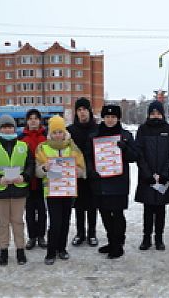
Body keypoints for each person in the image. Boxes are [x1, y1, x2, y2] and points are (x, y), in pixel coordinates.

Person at [0, 114, 34, 266]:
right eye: (4, 127)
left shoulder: (23, 146)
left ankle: (20, 250)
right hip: (0, 190)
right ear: (0, 129)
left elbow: (30, 164)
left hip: (19, 190)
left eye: (10, 127)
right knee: (3, 223)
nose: (8, 130)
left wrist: (25, 177)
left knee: (18, 221)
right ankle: (3, 250)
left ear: (14, 129)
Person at [86, 105, 138, 259]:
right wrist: (90, 171)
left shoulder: (126, 135)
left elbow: (134, 156)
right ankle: (111, 241)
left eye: (113, 117)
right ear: (103, 117)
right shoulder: (94, 135)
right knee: (104, 213)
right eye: (107, 117)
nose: (110, 120)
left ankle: (118, 244)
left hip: (118, 182)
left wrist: (125, 149)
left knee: (118, 213)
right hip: (100, 182)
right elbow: (88, 156)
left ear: (118, 118)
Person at [35, 115, 86, 265]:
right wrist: (44, 168)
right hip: (51, 192)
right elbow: (37, 172)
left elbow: (83, 169)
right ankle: (51, 251)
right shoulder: (42, 148)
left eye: (60, 132)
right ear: (50, 134)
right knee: (55, 222)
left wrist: (78, 171)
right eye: (55, 132)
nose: (58, 135)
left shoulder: (72, 147)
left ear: (65, 132)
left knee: (65, 221)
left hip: (68, 191)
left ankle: (62, 249)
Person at [135, 101, 169, 251]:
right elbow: (139, 153)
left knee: (160, 210)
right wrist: (148, 174)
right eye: (152, 113)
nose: (155, 116)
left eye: (158, 113)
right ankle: (146, 238)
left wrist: (165, 173)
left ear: (162, 114)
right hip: (147, 178)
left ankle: (159, 238)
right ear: (148, 114)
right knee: (147, 209)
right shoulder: (142, 129)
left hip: (164, 177)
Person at [67, 98, 99, 247]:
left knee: (93, 205)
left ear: (89, 111)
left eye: (85, 109)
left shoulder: (97, 129)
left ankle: (92, 233)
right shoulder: (70, 130)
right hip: (76, 174)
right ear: (76, 112)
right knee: (79, 206)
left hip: (93, 174)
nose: (82, 112)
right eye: (79, 110)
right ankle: (80, 233)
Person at [19, 109, 47, 250]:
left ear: (40, 120)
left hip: (44, 180)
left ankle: (41, 236)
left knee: (42, 210)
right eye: (30, 118)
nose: (33, 121)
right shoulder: (21, 138)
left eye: (36, 118)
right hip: (27, 180)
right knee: (29, 210)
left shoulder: (47, 137)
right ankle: (31, 237)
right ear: (27, 121)